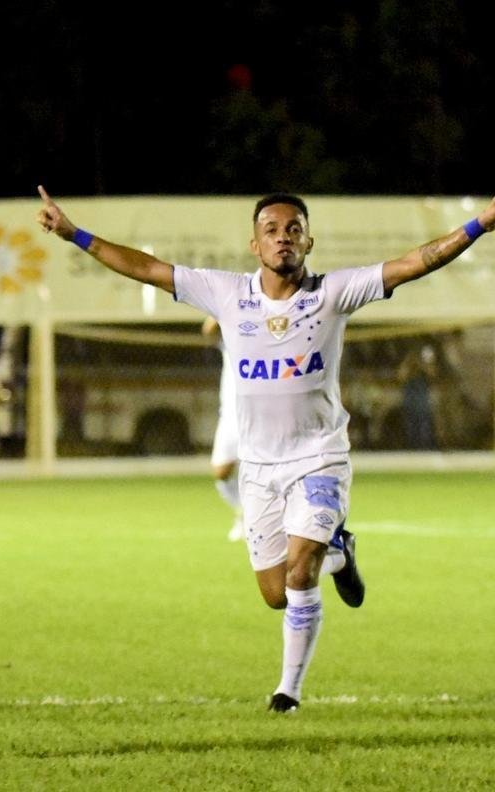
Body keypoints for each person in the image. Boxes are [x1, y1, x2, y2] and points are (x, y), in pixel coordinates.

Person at [37, 185, 494, 712]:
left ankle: (287, 692)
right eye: (272, 231)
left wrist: (480, 222)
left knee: (301, 575)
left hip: (319, 458)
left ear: (309, 241)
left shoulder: (333, 292)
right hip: (259, 469)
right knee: (277, 593)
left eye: (293, 230)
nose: (283, 239)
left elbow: (416, 262)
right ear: (255, 245)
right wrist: (75, 234)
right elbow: (146, 267)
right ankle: (340, 553)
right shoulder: (227, 293)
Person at [201, 317, 244, 541]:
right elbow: (208, 329)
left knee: (260, 470)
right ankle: (243, 511)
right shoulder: (231, 336)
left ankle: (263, 519)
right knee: (221, 471)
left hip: (258, 415)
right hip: (230, 416)